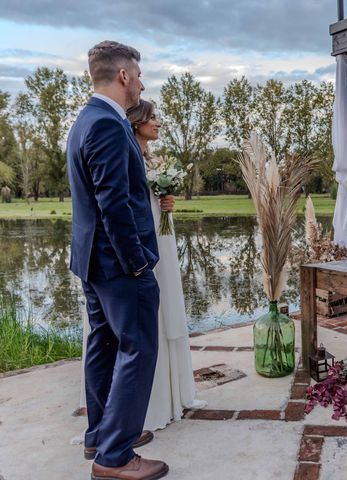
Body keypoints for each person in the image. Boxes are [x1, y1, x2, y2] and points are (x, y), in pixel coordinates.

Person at [66, 41, 168, 480]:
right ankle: (115, 456)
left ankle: (101, 434)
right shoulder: (107, 124)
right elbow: (114, 204)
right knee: (137, 349)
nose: (141, 83)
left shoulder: (85, 120)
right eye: (138, 75)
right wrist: (138, 264)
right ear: (124, 76)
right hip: (118, 266)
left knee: (104, 345)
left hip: (93, 263)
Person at [126, 99, 207, 428]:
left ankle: (176, 391)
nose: (158, 122)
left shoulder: (149, 157)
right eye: (153, 117)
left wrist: (165, 201)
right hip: (147, 244)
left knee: (169, 303)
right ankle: (152, 399)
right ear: (136, 122)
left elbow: (151, 200)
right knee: (153, 311)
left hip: (163, 236)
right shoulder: (129, 154)